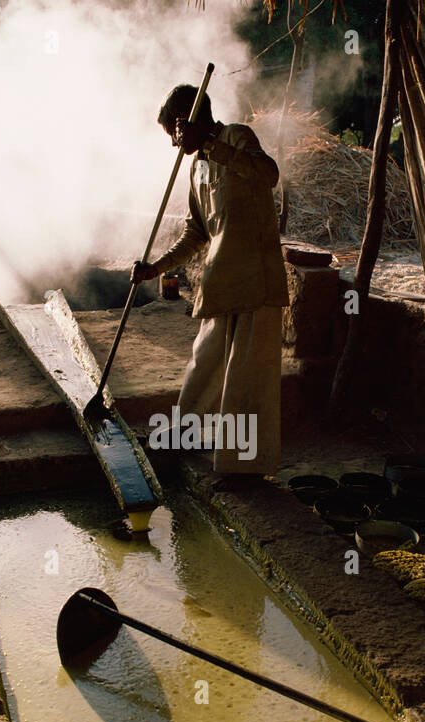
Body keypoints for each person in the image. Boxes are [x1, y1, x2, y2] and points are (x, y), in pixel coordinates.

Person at [132, 84, 288, 485]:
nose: (175, 143)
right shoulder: (197, 166)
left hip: (257, 281)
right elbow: (196, 231)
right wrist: (155, 267)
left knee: (247, 379)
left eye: (176, 133)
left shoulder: (236, 136)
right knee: (205, 366)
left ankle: (244, 468)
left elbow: (267, 174)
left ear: (192, 120)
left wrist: (214, 145)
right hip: (222, 284)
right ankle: (186, 435)